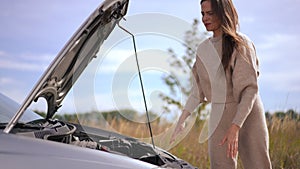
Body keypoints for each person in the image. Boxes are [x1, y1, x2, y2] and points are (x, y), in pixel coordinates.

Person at [170, 0, 272, 168]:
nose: (205, 18)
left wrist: (235, 126)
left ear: (223, 13)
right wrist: (182, 119)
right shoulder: (203, 50)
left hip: (247, 113)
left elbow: (249, 89)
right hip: (219, 114)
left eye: (210, 13)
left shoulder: (242, 43)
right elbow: (198, 90)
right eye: (203, 14)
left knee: (257, 165)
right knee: (219, 165)